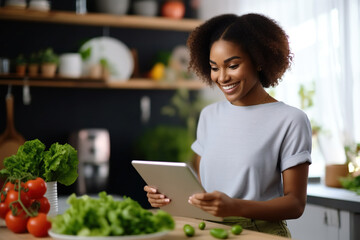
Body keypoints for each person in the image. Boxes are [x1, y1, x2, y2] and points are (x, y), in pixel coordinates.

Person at [144, 13, 312, 237]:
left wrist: (235, 206)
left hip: (260, 231)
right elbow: (204, 193)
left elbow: (295, 204)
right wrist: (168, 197)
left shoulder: (291, 120)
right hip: (209, 229)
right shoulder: (209, 115)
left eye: (232, 65)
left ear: (260, 60)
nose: (222, 77)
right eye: (214, 67)